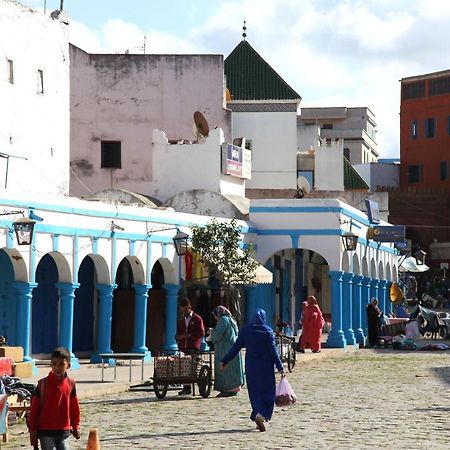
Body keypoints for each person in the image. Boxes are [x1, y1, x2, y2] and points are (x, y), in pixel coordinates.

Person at [220, 308, 285, 432]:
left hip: (251, 367)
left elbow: (236, 347)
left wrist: (225, 360)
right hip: (266, 368)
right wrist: (280, 367)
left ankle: (257, 413)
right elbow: (273, 351)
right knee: (268, 392)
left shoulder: (246, 331)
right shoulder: (267, 332)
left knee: (255, 393)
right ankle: (263, 414)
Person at [28, 347, 80, 450]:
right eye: (54, 364)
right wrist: (33, 429)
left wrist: (75, 426)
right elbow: (34, 408)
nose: (57, 368)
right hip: (45, 430)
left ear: (68, 365)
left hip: (63, 430)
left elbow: (74, 407)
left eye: (61, 364)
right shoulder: (42, 384)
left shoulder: (71, 384)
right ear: (51, 365)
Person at [207, 306, 244, 398]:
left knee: (226, 369)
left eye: (215, 315)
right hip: (233, 348)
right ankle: (235, 387)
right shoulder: (232, 319)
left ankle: (227, 389)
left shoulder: (223, 320)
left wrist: (212, 333)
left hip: (225, 349)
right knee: (233, 368)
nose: (215, 318)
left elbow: (217, 335)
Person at [175, 297, 205, 395]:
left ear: (189, 307)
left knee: (193, 368)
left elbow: (201, 332)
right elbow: (177, 333)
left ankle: (196, 386)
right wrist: (178, 337)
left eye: (185, 309)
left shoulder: (197, 319)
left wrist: (189, 335)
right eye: (182, 309)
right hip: (183, 347)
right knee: (183, 367)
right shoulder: (180, 320)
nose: (183, 311)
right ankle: (186, 388)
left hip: (193, 347)